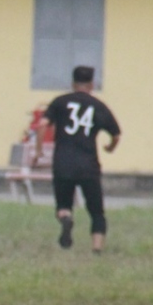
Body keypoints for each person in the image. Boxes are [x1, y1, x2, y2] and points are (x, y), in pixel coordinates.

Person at [36, 66, 121, 253]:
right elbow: (116, 134)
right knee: (97, 212)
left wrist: (38, 151)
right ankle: (97, 249)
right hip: (88, 165)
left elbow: (42, 125)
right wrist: (110, 147)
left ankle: (66, 219)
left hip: (63, 163)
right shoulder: (98, 106)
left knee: (64, 204)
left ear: (73, 84)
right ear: (92, 84)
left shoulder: (59, 102)